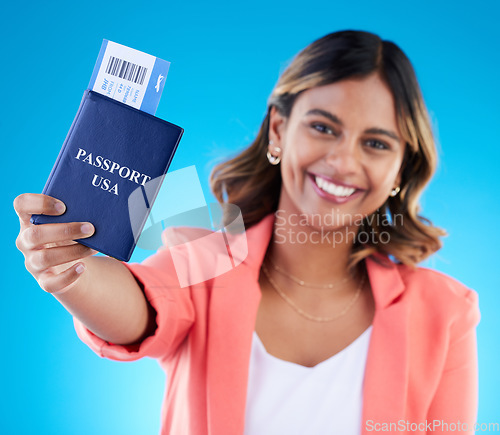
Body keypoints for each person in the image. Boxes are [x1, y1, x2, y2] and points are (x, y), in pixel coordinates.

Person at [14, 30, 480, 434]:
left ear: (401, 166)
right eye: (323, 127)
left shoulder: (445, 312)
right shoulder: (205, 260)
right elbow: (138, 306)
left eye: (376, 143)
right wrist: (69, 269)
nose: (343, 162)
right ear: (279, 130)